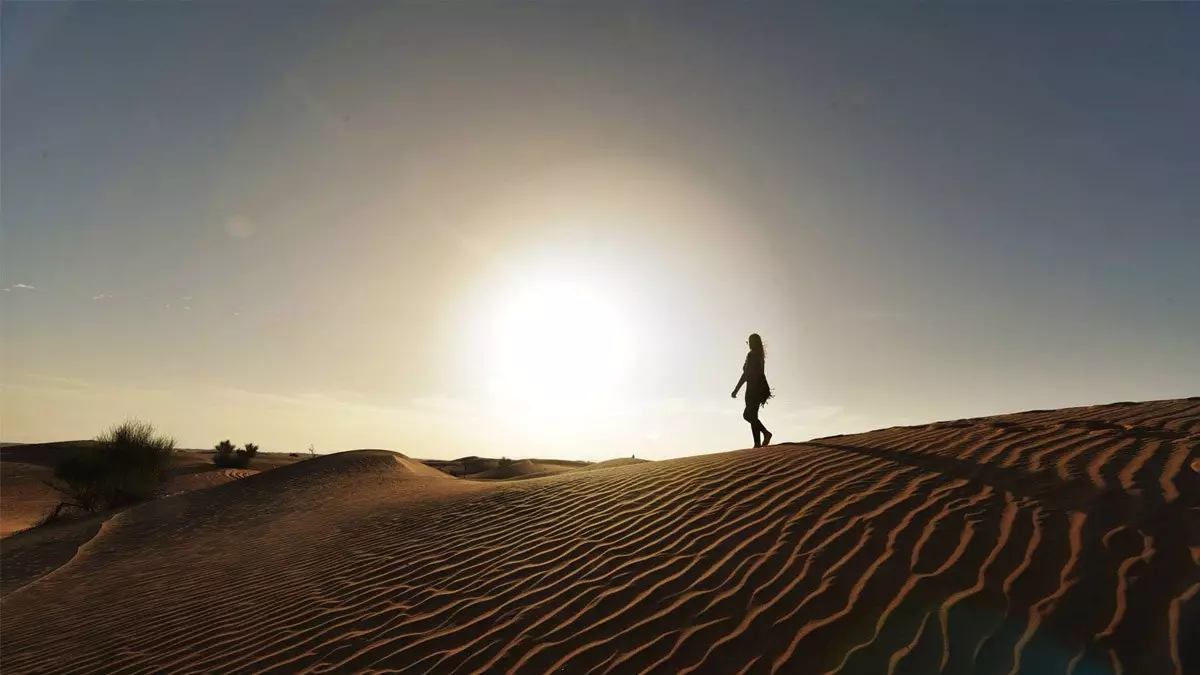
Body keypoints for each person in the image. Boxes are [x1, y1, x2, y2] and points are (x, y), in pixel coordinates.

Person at [731, 333, 773, 447]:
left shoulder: (752, 355)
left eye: (749, 341)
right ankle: (765, 433)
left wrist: (736, 389)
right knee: (748, 415)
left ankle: (757, 443)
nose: (748, 343)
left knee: (752, 416)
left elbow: (746, 374)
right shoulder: (760, 355)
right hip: (761, 388)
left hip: (753, 389)